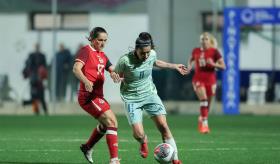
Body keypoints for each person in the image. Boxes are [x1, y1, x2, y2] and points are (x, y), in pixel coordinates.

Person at [114, 32, 187, 164]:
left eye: (148, 52)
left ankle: (175, 160)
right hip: (132, 99)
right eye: (143, 53)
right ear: (136, 49)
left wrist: (174, 66)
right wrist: (116, 77)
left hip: (150, 94)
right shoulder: (125, 60)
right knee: (138, 134)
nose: (146, 56)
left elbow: (155, 62)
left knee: (164, 126)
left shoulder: (151, 54)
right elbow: (116, 73)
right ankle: (143, 141)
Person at [72, 27, 120, 164]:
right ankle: (114, 160)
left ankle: (87, 147)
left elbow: (112, 69)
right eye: (100, 40)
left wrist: (116, 75)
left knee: (106, 125)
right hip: (88, 96)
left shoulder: (102, 55)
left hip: (97, 96)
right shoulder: (86, 51)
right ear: (92, 39)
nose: (103, 43)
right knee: (112, 122)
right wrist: (86, 81)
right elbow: (76, 69)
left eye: (105, 40)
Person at [187, 32, 226, 134]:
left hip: (211, 80)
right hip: (198, 79)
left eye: (206, 39)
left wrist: (213, 64)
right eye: (202, 39)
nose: (204, 41)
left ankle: (202, 118)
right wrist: (189, 66)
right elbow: (191, 59)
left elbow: (223, 66)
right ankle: (205, 124)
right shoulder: (196, 50)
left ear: (210, 41)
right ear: (200, 41)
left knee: (207, 105)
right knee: (203, 100)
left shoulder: (214, 52)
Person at [22, 43, 48, 115]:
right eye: (36, 47)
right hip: (33, 79)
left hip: (40, 80)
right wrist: (30, 75)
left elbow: (45, 67)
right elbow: (28, 66)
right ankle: (36, 111)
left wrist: (42, 75)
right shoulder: (31, 56)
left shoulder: (42, 56)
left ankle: (45, 111)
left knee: (41, 96)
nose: (37, 48)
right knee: (33, 97)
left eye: (38, 47)